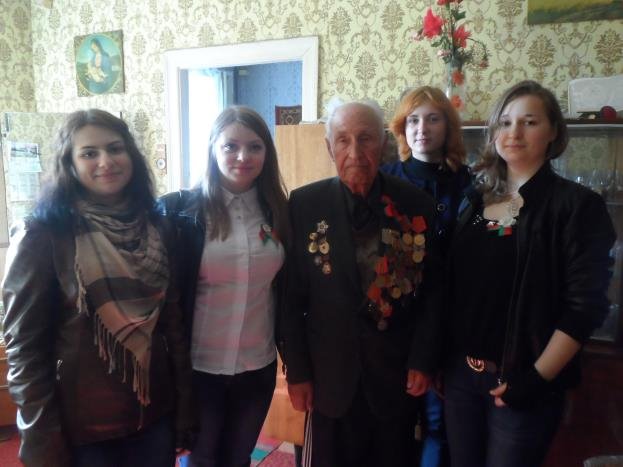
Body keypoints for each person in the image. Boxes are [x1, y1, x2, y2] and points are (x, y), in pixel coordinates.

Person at [1, 109, 196, 467]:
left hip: (154, 414)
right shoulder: (43, 235)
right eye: (89, 153)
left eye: (115, 148)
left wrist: (184, 408)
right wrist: (41, 440)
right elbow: (24, 350)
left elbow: (174, 329)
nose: (106, 161)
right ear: (70, 164)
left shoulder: (159, 228)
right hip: (81, 428)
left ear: (131, 155)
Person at [443, 80, 616, 467]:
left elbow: (585, 307)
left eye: (530, 122)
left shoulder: (577, 206)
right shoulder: (475, 199)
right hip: (461, 377)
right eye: (505, 122)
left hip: (523, 381)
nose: (514, 133)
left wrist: (536, 379)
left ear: (553, 131)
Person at [283, 100, 443, 467]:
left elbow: (433, 293)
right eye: (343, 140)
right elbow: (291, 299)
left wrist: (423, 360)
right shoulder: (304, 205)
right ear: (329, 148)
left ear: (383, 143)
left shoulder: (416, 205)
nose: (354, 152)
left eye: (365, 138)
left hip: (395, 377)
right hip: (328, 380)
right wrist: (298, 372)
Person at [158, 105, 289, 467]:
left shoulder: (279, 211)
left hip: (257, 366)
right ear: (213, 149)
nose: (243, 157)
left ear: (267, 153)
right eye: (231, 146)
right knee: (199, 461)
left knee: (238, 459)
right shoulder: (181, 213)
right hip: (199, 370)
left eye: (255, 146)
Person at [382, 85, 471, 467]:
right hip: (394, 323)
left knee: (439, 426)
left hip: (451, 321)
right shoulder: (384, 179)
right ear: (402, 127)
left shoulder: (470, 183)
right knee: (392, 424)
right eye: (414, 120)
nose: (422, 129)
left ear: (447, 126)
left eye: (433, 119)